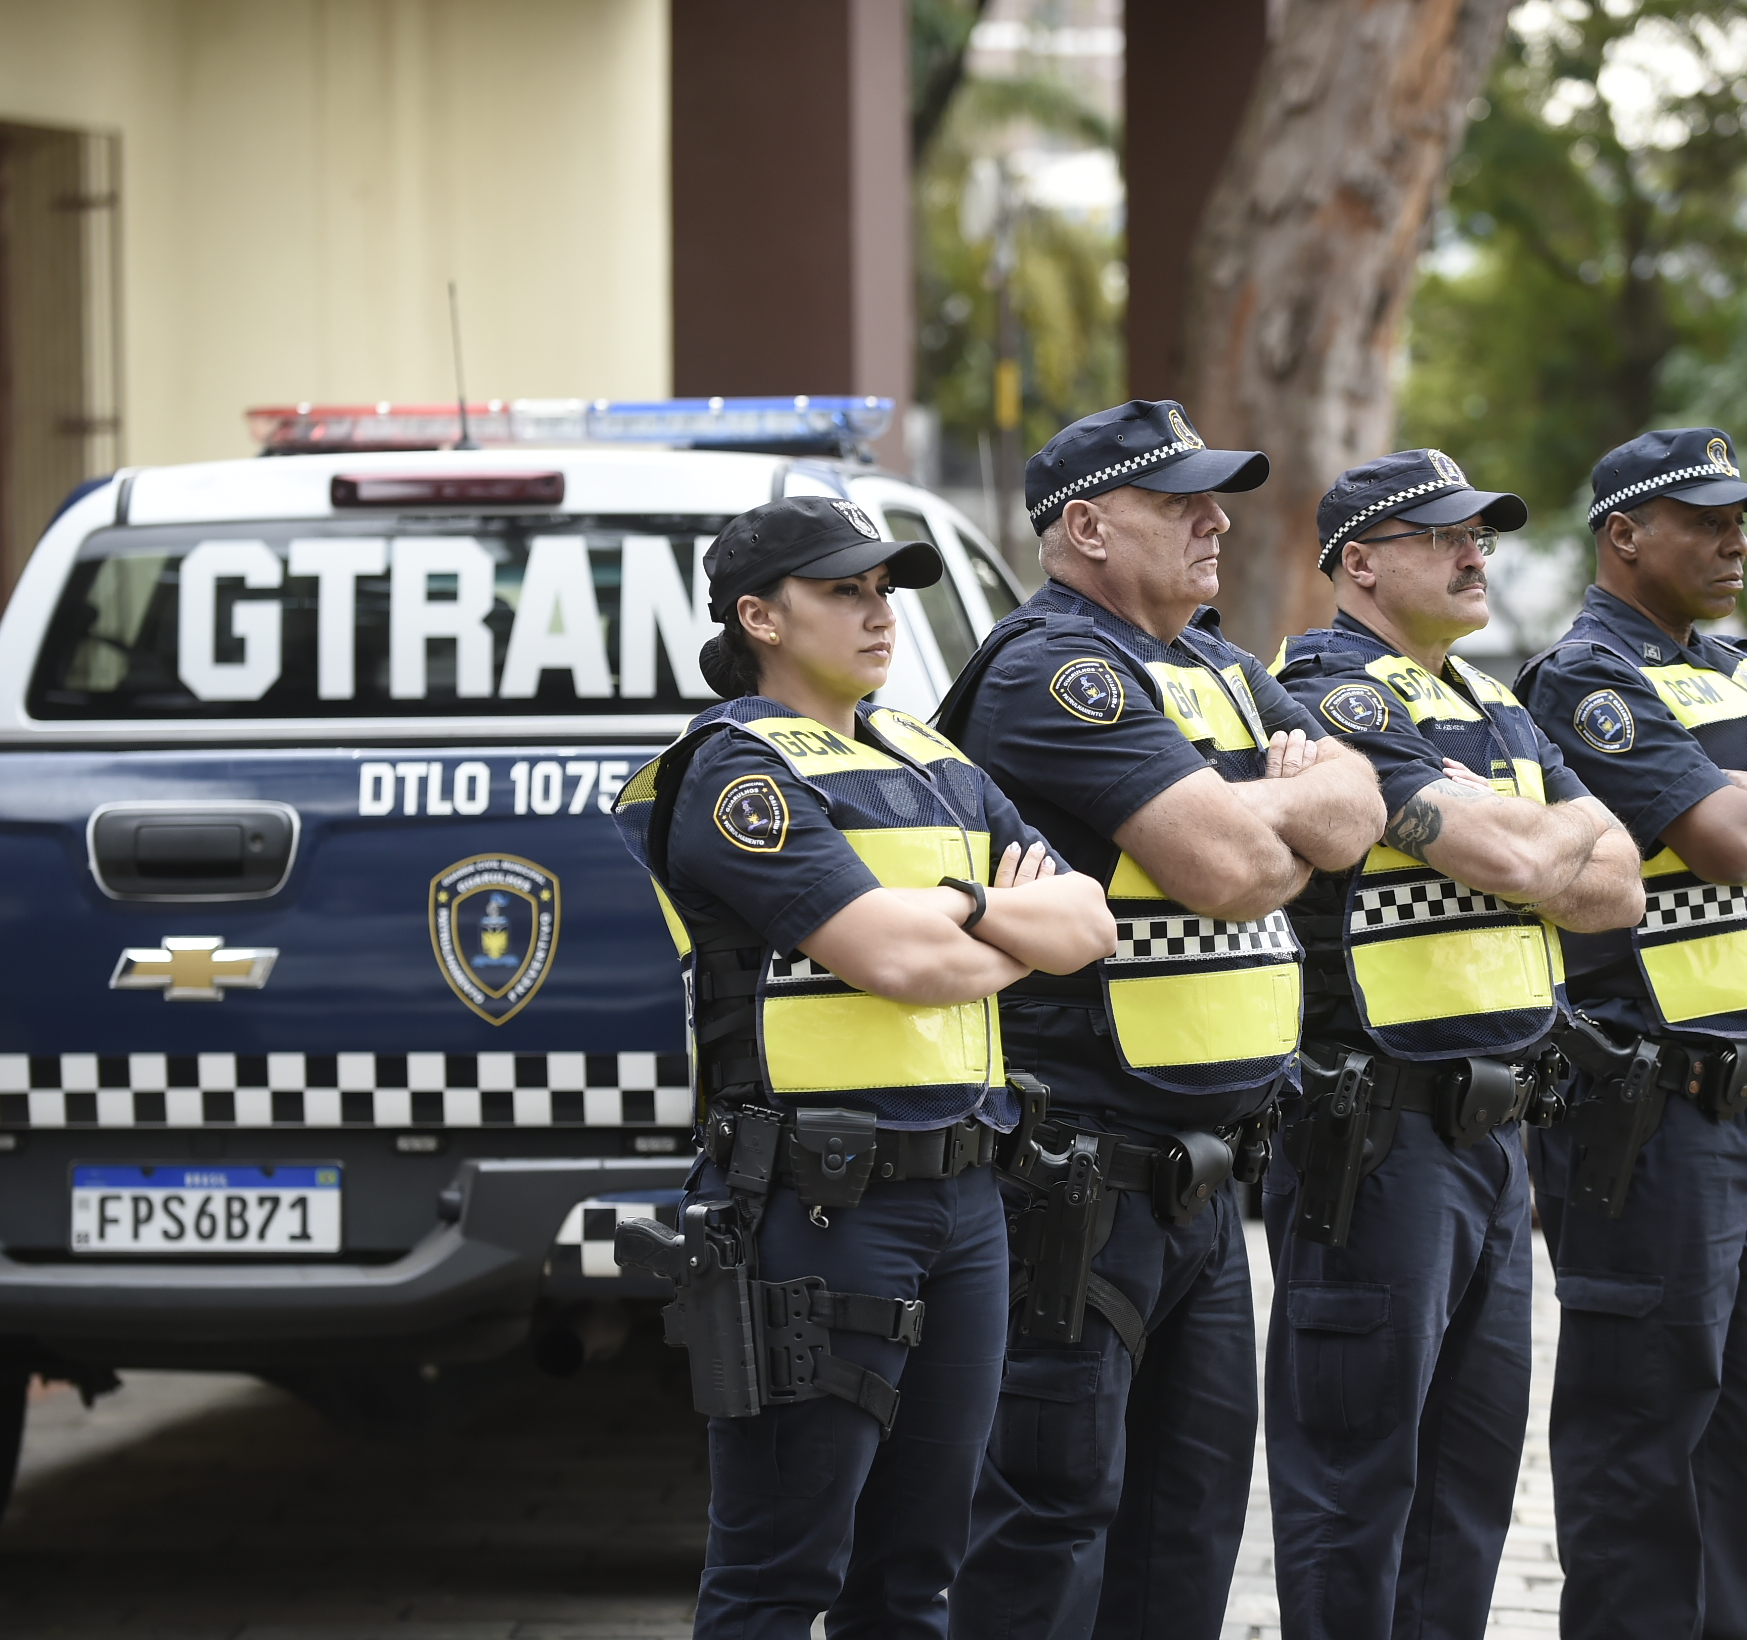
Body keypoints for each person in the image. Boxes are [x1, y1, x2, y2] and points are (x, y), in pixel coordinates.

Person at [611, 495, 1118, 1639]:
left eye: (885, 588)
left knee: (917, 1573)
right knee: (781, 1573)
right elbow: (892, 958)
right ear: (760, 616)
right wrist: (1001, 925)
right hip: (815, 1207)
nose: (879, 612)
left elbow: (1088, 922)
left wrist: (963, 913)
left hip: (967, 1201)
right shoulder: (731, 775)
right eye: (845, 589)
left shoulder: (932, 755)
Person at [940, 400, 1387, 1640]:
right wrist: (1278, 808)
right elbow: (1228, 870)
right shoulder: (1049, 668)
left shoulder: (1221, 667)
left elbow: (1356, 811)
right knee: (1047, 1517)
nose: (1216, 520)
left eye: (1219, 496)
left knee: (1186, 1523)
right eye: (1179, 500)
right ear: (1085, 525)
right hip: (1078, 1176)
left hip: (1200, 1183)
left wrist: (1279, 813)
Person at [1514, 427, 1747, 1640]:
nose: (1738, 540)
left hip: (1740, 1119)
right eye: (1707, 520)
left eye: (1743, 519)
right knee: (1641, 1441)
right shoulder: (1583, 678)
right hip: (1645, 1112)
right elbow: (1734, 841)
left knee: (1737, 1437)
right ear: (1623, 534)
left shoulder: (1735, 670)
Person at [1262, 449, 1644, 1639]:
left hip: (1493, 1141)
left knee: (1467, 1488)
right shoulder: (1330, 691)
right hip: (1376, 1138)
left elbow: (1622, 886)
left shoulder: (1491, 704)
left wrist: (1553, 836)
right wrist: (1564, 824)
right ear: (1358, 561)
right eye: (1442, 535)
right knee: (1353, 1483)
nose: (1475, 550)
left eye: (1481, 532)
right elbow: (1540, 866)